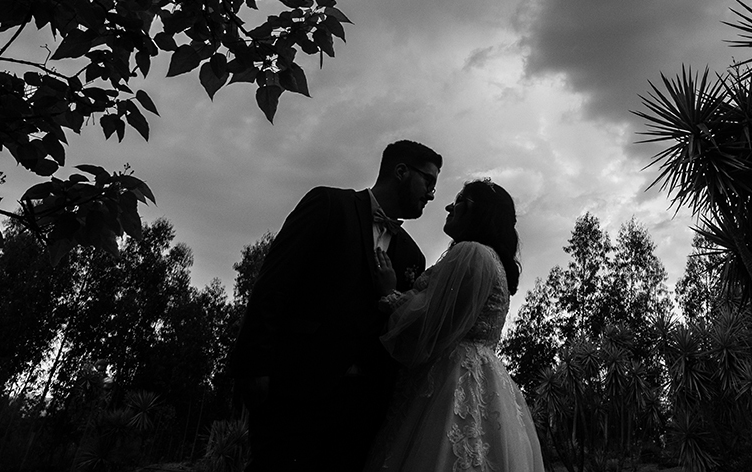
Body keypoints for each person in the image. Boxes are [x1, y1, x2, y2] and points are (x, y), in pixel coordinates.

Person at [228, 139, 443, 472]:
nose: (431, 194)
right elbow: (274, 282)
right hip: (297, 391)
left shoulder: (413, 255)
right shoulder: (328, 204)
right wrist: (253, 365)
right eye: (428, 181)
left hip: (363, 410)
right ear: (401, 171)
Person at [364, 179, 544, 472]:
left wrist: (389, 292)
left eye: (460, 200)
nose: (449, 206)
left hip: (452, 378)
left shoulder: (471, 253)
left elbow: (431, 325)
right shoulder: (492, 259)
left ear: (478, 212)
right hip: (483, 377)